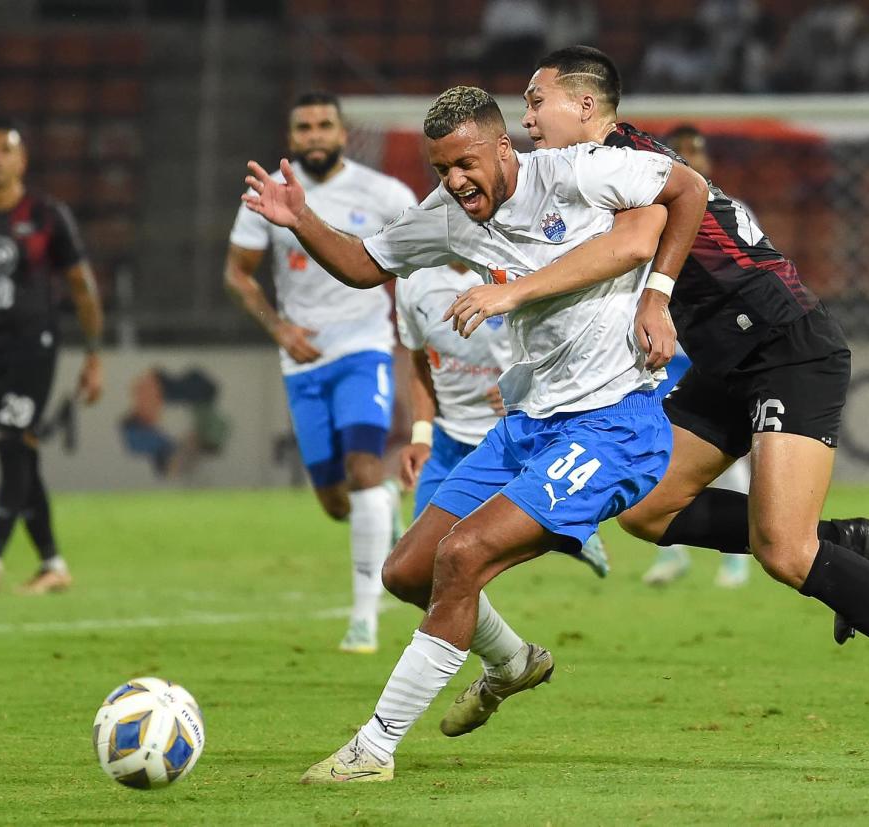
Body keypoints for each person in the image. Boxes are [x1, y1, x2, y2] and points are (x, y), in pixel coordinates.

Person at [492, 45, 869, 770]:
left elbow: (641, 239)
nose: (527, 117)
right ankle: (839, 538)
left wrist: (633, 302)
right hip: (725, 359)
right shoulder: (591, 170)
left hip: (787, 345)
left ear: (587, 106)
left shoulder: (626, 165)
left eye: (538, 102)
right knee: (646, 509)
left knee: (785, 551)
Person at [241, 85, 709, 782]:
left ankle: (374, 747)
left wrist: (657, 292)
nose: (455, 182)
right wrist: (302, 219)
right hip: (527, 426)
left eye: (465, 163)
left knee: (462, 556)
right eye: (440, 170)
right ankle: (513, 660)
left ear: (501, 146)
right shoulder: (451, 217)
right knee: (408, 570)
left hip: (615, 424)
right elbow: (366, 263)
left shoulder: (576, 170)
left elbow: (690, 188)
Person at [224, 92, 413, 655]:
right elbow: (238, 274)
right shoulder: (267, 198)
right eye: (303, 126)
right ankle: (383, 506)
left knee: (363, 466)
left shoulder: (383, 194)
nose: (314, 134)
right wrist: (280, 329)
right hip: (303, 359)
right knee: (336, 502)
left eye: (324, 125)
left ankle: (364, 619)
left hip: (365, 348)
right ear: (291, 136)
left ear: (342, 132)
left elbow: (425, 254)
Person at [0, 119, 104, 595]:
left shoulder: (49, 216)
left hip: (36, 343)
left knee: (13, 438)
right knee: (16, 451)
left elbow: (81, 286)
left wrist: (94, 353)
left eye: (5, 150)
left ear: (21, 161)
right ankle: (52, 562)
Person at [395, 263, 609, 577]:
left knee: (458, 563)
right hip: (448, 442)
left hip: (514, 440)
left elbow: (568, 345)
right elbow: (419, 361)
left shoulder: (515, 263)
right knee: (415, 569)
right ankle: (564, 531)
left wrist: (524, 384)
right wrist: (421, 436)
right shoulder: (412, 279)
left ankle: (565, 528)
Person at [642, 124, 750, 589]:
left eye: (696, 152)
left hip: (714, 349)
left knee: (720, 451)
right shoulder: (651, 214)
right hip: (664, 348)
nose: (691, 160)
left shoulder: (728, 211)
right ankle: (674, 553)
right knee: (657, 451)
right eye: (681, 153)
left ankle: (735, 560)